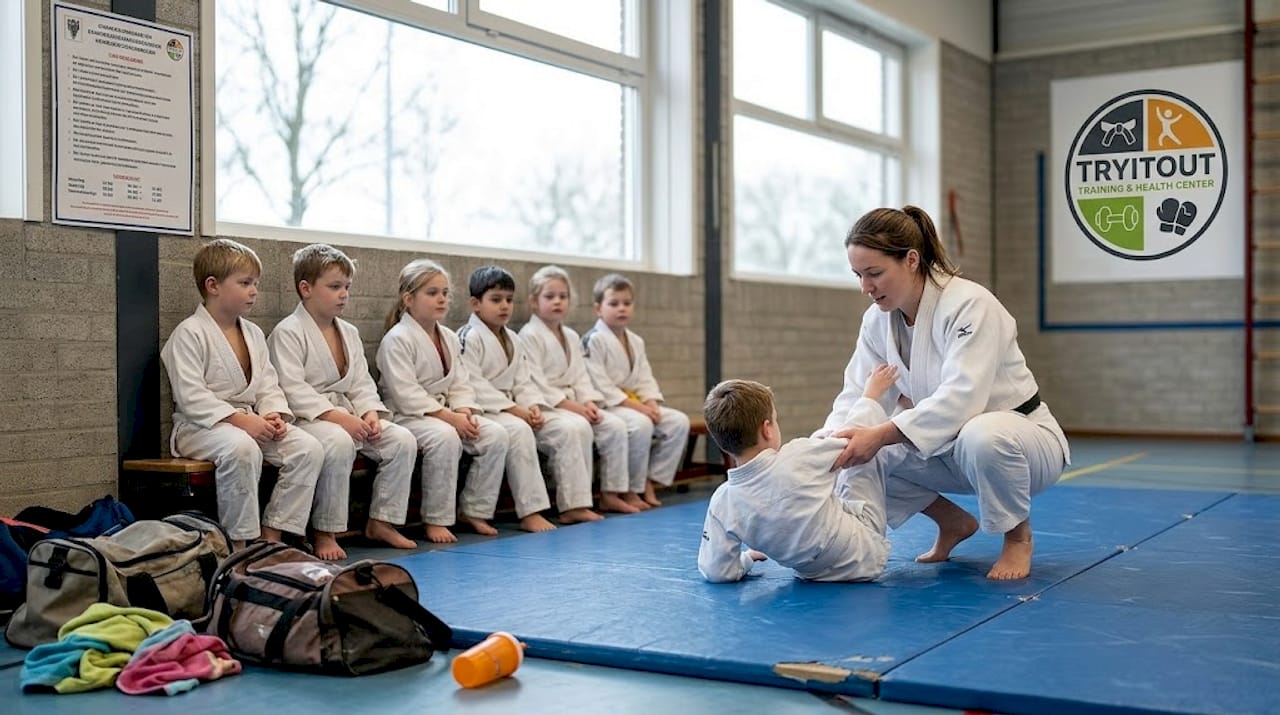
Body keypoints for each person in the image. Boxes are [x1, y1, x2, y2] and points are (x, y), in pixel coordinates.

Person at [822, 205, 1070, 580]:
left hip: (1021, 442)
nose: (865, 288)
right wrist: (825, 449)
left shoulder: (971, 304)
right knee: (857, 454)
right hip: (947, 449)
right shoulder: (876, 322)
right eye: (858, 275)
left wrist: (881, 434)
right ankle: (953, 521)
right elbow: (856, 396)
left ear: (910, 260)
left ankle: (1018, 536)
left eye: (874, 273)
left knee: (982, 435)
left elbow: (962, 398)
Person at [160, 239, 323, 550]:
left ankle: (272, 533)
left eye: (255, 284)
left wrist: (272, 414)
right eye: (245, 283)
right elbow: (191, 395)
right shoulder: (189, 333)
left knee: (308, 448)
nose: (253, 291)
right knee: (241, 447)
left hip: (251, 420)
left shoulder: (253, 333)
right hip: (200, 428)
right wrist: (240, 421)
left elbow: (267, 385)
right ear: (213, 286)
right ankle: (239, 543)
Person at [267, 243, 418, 559]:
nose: (344, 294)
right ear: (305, 288)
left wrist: (369, 412)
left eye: (347, 287)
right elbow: (292, 388)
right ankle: (325, 531)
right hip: (310, 418)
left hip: (348, 414)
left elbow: (361, 382)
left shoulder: (348, 331)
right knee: (338, 442)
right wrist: (338, 417)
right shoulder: (288, 332)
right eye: (334, 287)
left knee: (401, 439)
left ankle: (382, 521)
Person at [697, 371, 899, 583]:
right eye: (775, 420)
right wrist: (870, 396)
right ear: (767, 430)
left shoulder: (722, 502)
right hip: (864, 552)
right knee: (863, 451)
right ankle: (902, 407)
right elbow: (854, 438)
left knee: (826, 450)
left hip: (812, 573)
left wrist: (745, 559)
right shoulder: (797, 455)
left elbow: (716, 570)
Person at [376, 258, 511, 544]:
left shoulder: (448, 337)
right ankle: (435, 519)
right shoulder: (397, 339)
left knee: (495, 434)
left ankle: (474, 510)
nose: (442, 299)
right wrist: (451, 418)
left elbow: (461, 382)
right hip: (407, 415)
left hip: (445, 412)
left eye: (445, 293)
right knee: (446, 437)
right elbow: (406, 394)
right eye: (432, 293)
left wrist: (464, 411)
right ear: (408, 298)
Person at [458, 265, 598, 527]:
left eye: (509, 300)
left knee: (573, 427)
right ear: (476, 304)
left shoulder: (512, 337)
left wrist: (532, 406)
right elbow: (472, 384)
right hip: (485, 409)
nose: (504, 306)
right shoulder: (469, 336)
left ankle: (575, 504)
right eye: (496, 300)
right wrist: (516, 410)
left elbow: (524, 380)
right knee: (520, 431)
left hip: (516, 408)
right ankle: (528, 512)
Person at [518, 266, 637, 513]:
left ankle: (610, 493)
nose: (558, 302)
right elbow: (535, 381)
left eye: (563, 296)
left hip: (575, 404)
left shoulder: (571, 335)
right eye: (549, 297)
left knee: (614, 425)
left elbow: (582, 377)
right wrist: (574, 407)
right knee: (576, 427)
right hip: (549, 406)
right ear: (533, 302)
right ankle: (574, 506)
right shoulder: (529, 335)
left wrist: (589, 402)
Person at [582, 274, 690, 508]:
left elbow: (644, 378)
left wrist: (651, 402)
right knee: (642, 424)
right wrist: (641, 408)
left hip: (636, 403)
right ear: (598, 308)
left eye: (627, 303)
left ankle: (650, 480)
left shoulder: (636, 341)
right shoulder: (594, 340)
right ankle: (630, 489)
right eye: (614, 303)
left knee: (678, 422)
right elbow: (601, 385)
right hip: (609, 405)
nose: (622, 308)